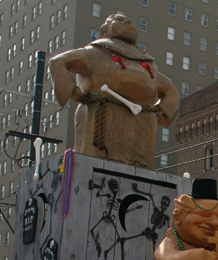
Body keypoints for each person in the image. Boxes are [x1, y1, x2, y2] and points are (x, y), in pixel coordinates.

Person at [49, 13, 179, 169]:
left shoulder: (148, 65)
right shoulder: (93, 54)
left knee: (140, 171)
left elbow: (171, 90)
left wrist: (163, 110)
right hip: (99, 120)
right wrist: (74, 91)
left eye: (129, 21)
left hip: (141, 129)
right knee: (93, 168)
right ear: (105, 30)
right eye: (119, 21)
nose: (126, 23)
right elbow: (58, 62)